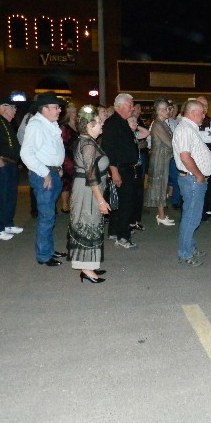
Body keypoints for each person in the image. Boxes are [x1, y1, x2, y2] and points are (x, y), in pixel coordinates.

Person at [20, 91, 67, 266]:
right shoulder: (37, 125)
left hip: (52, 173)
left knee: (49, 215)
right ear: (44, 109)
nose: (59, 110)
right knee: (46, 216)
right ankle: (43, 255)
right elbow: (26, 153)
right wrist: (45, 172)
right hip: (44, 175)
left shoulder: (49, 124)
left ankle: (48, 250)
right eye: (55, 107)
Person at [66, 105, 110, 283]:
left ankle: (89, 264)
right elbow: (91, 175)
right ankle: (85, 269)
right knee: (87, 223)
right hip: (87, 190)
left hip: (88, 188)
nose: (101, 125)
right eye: (98, 122)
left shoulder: (88, 141)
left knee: (91, 224)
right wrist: (101, 201)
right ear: (89, 126)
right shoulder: (87, 145)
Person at [172, 100, 211, 267]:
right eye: (202, 112)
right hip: (192, 179)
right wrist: (199, 175)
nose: (204, 116)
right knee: (191, 218)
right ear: (194, 112)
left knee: (192, 217)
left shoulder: (190, 128)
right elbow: (185, 156)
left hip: (193, 179)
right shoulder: (184, 129)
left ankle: (189, 246)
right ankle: (184, 253)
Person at [100, 93, 141, 249]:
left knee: (123, 202)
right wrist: (114, 171)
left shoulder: (122, 122)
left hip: (128, 168)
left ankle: (116, 231)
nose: (132, 108)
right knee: (125, 203)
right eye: (130, 105)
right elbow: (109, 150)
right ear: (120, 106)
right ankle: (123, 236)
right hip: (121, 169)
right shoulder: (112, 123)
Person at [0, 96, 22, 240]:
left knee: (10, 196)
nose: (15, 110)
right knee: (1, 197)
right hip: (3, 164)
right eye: (12, 107)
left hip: (11, 164)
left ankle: (7, 223)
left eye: (15, 108)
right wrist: (0, 164)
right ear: (3, 108)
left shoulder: (7, 124)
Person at [144, 98, 175, 226]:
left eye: (167, 108)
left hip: (164, 157)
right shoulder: (157, 124)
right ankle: (161, 215)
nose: (166, 111)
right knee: (160, 185)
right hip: (159, 158)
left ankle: (161, 214)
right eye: (163, 109)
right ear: (157, 111)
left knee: (163, 184)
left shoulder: (163, 123)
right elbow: (169, 142)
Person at [127, 115, 150, 231]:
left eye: (136, 121)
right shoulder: (125, 136)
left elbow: (146, 132)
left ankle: (135, 221)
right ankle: (129, 222)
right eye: (132, 121)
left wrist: (135, 125)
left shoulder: (134, 134)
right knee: (130, 197)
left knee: (138, 196)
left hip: (138, 168)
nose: (135, 123)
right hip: (129, 169)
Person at [59, 103, 79, 213]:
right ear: (69, 114)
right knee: (66, 182)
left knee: (75, 181)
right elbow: (63, 143)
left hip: (77, 156)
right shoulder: (64, 126)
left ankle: (73, 203)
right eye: (73, 112)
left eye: (76, 111)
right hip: (67, 156)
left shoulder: (78, 125)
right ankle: (65, 204)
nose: (75, 114)